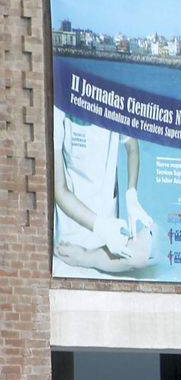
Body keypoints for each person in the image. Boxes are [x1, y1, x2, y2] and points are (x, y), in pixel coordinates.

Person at [53, 112, 156, 273]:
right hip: (73, 228)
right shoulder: (59, 113)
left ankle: (90, 258)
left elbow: (132, 147)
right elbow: (60, 191)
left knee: (144, 253)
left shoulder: (111, 97)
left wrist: (131, 194)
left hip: (108, 227)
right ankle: (86, 257)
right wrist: (100, 228)